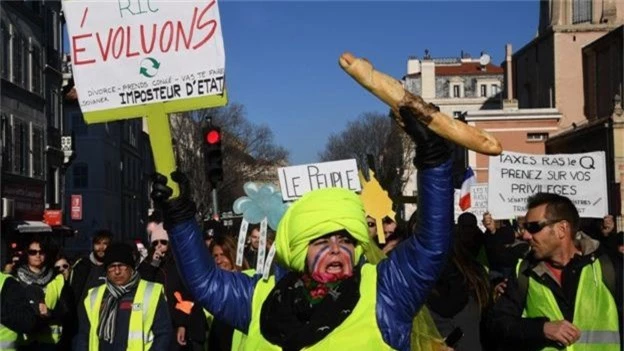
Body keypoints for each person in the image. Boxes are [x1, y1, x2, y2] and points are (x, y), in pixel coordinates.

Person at [151, 106, 455, 351]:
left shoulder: (385, 293)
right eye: (322, 240)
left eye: (346, 240)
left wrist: (434, 162)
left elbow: (431, 246)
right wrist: (180, 219)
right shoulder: (258, 300)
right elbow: (204, 281)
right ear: (299, 248)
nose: (336, 249)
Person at [484, 193, 622, 351]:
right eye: (525, 228)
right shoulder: (524, 272)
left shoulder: (608, 266)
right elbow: (497, 324)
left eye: (534, 227)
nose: (526, 235)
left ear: (561, 229)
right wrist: (541, 329)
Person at [75, 242, 172, 350]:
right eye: (112, 267)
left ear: (131, 267)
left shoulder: (151, 292)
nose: (117, 271)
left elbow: (163, 334)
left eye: (121, 266)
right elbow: (84, 336)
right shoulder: (94, 296)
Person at [138, 216, 207, 351]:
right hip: (161, 323)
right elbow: (142, 283)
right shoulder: (149, 263)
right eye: (155, 243)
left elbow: (187, 295)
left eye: (163, 242)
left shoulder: (179, 262)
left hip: (182, 321)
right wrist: (153, 265)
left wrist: (182, 324)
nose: (159, 246)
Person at [13, 238, 71, 350]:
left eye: (41, 252)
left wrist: (50, 313)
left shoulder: (58, 278)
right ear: (26, 254)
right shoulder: (14, 279)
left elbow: (67, 310)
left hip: (50, 342)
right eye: (33, 252)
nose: (37, 255)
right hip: (23, 341)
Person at [206, 235, 250, 351]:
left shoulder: (247, 281)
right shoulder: (210, 285)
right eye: (215, 256)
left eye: (223, 255)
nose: (219, 260)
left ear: (232, 255)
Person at [70, 229, 112, 304]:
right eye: (98, 243)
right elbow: (73, 292)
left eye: (105, 244)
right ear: (93, 245)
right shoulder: (82, 265)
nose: (101, 247)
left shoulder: (113, 267)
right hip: (83, 313)